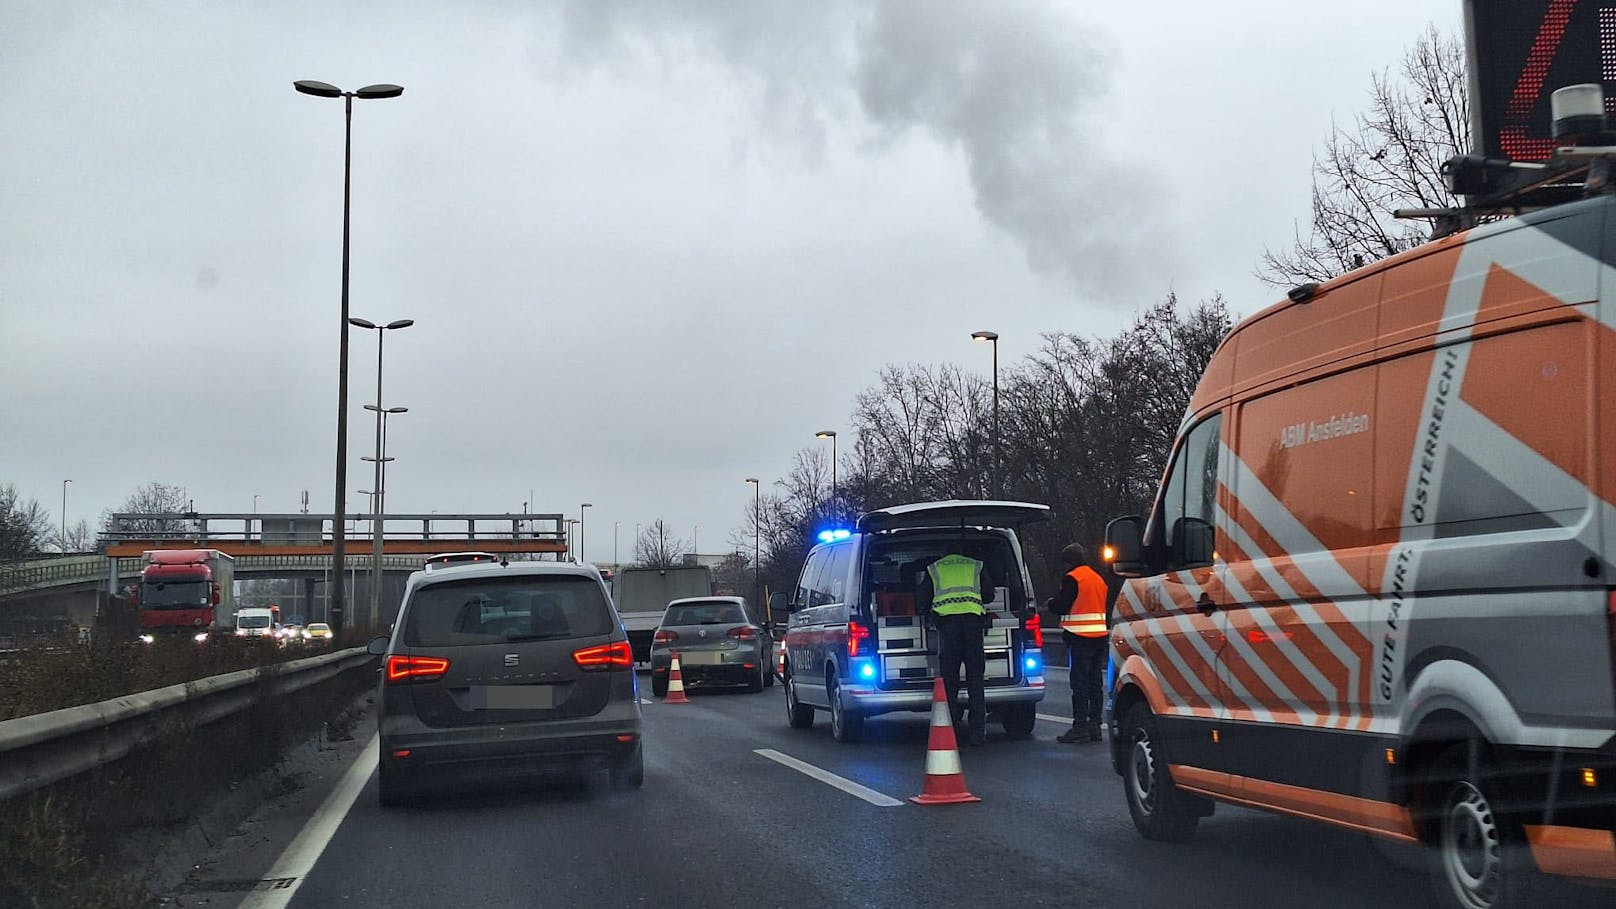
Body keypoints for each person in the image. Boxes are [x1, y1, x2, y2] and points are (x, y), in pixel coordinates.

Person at [919, 551, 996, 746]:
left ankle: (951, 730)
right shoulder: (976, 564)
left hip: (948, 627)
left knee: (949, 683)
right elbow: (988, 595)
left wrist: (927, 616)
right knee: (976, 681)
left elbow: (923, 599)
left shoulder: (936, 567)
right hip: (973, 625)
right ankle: (977, 733)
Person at [1045, 543, 1108, 744]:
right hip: (1100, 636)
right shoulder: (1097, 578)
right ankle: (1095, 725)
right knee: (1095, 682)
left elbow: (1064, 605)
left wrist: (1051, 604)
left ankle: (1080, 726)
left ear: (1068, 562)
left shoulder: (1072, 578)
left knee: (1079, 683)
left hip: (1080, 637)